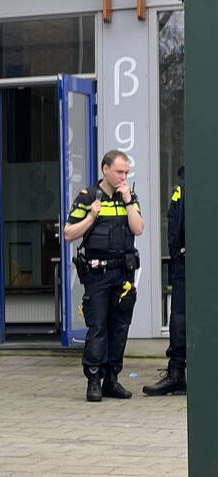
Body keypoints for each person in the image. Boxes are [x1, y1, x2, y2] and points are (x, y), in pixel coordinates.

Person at [63, 150, 145, 402]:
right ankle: (94, 380)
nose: (123, 176)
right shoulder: (88, 197)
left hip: (123, 273)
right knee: (98, 327)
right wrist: (91, 217)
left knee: (119, 327)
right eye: (119, 171)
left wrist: (129, 202)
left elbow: (138, 229)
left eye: (126, 172)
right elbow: (68, 233)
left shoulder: (128, 197)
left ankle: (112, 379)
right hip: (98, 274)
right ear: (105, 169)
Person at [144, 167, 187, 395]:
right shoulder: (183, 186)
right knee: (179, 318)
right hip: (184, 264)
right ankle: (177, 373)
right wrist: (178, 254)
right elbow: (174, 223)